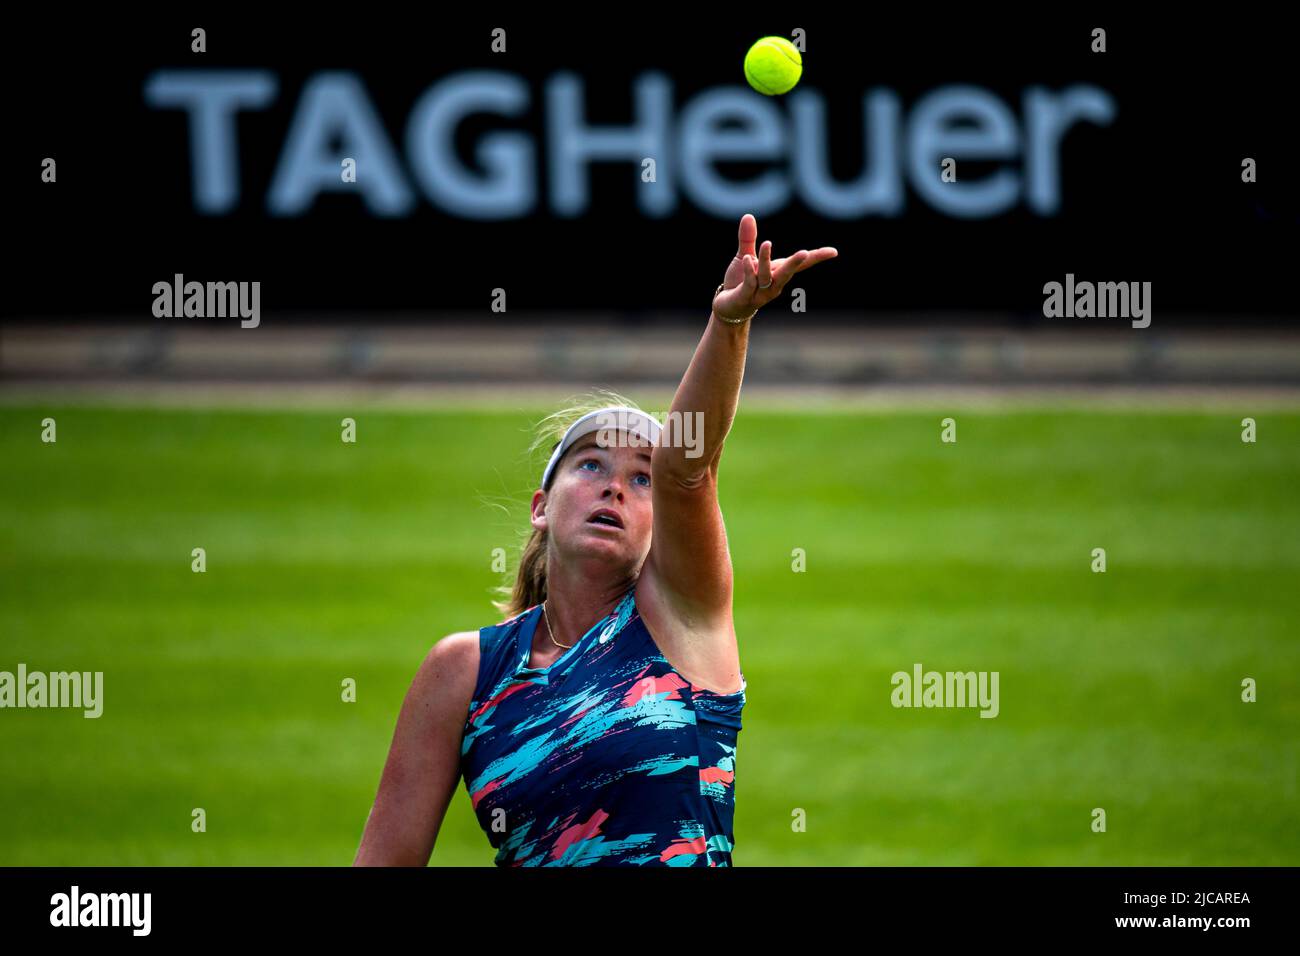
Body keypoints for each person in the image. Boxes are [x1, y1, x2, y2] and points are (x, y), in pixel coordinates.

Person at [354, 213, 837, 865]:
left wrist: (729, 323)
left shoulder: (680, 623)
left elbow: (687, 470)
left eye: (641, 480)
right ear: (540, 508)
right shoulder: (463, 672)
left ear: (660, 524)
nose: (614, 486)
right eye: (590, 465)